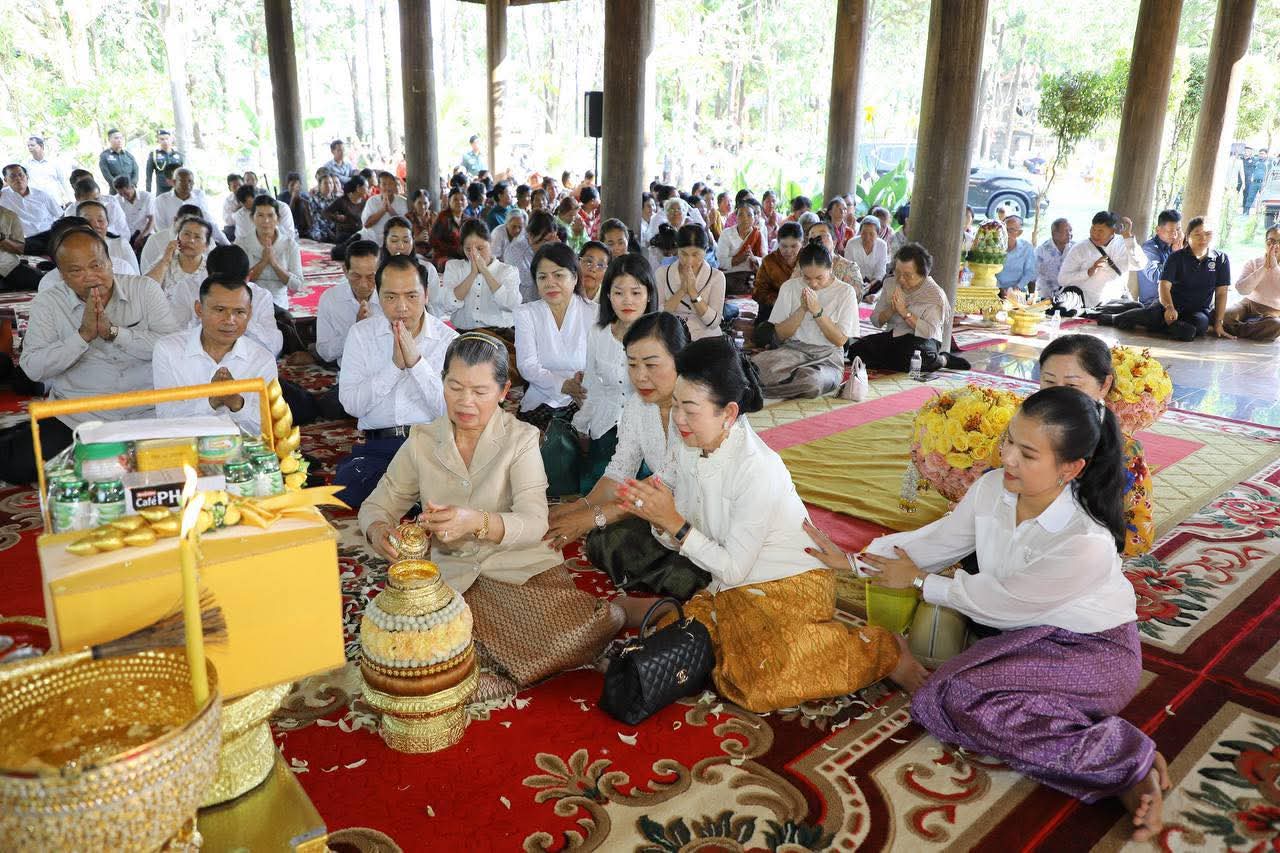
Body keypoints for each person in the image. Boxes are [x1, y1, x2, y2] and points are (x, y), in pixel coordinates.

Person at [807, 385, 1168, 842]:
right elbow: (936, 543)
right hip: (1025, 636)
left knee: (957, 696)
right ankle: (1082, 731)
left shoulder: (1085, 540)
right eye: (1009, 441)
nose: (1008, 458)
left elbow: (1001, 601)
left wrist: (920, 582)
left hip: (1093, 654)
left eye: (1028, 454)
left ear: (1071, 468)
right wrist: (853, 561)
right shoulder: (993, 488)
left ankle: (1126, 761)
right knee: (957, 693)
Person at [613, 336, 921, 712]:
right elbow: (680, 528)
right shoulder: (687, 444)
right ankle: (673, 611)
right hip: (729, 583)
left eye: (689, 409)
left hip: (792, 584)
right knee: (686, 647)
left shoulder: (757, 468)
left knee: (760, 683)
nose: (678, 419)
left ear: (728, 413)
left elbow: (731, 566)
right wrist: (657, 517)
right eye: (675, 404)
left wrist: (673, 523)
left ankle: (883, 649)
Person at [360, 333, 619, 703]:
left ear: (503, 391)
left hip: (517, 569)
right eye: (455, 387)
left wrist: (477, 522)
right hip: (453, 576)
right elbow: (378, 503)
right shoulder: (422, 440)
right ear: (442, 382)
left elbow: (535, 521)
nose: (465, 401)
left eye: (480, 391)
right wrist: (379, 530)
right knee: (411, 653)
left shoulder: (521, 439)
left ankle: (614, 616)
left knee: (571, 638)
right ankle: (499, 670)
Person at [0, 226, 180, 484]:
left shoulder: (145, 290)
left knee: (181, 466)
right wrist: (82, 337)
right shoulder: (49, 303)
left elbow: (172, 348)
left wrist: (116, 333)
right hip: (78, 416)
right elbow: (33, 368)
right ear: (62, 275)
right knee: (15, 465)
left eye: (97, 265)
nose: (90, 277)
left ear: (110, 261)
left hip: (147, 412)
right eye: (76, 271)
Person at [545, 312, 706, 596]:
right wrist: (581, 506)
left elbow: (667, 481)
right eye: (632, 364)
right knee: (603, 540)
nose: (640, 376)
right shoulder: (637, 405)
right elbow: (620, 470)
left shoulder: (698, 409)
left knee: (690, 571)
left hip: (704, 519)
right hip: (661, 513)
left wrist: (591, 517)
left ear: (680, 361)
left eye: (651, 365)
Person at [335, 255, 459, 508]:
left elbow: (451, 410)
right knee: (348, 486)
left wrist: (416, 364)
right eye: (390, 297)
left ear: (426, 295)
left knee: (461, 482)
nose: (401, 307)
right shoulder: (361, 335)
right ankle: (415, 497)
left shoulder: (449, 341)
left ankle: (407, 495)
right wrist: (394, 367)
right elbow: (351, 405)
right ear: (378, 296)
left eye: (411, 296)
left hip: (432, 446)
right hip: (379, 447)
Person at [547, 254, 659, 494]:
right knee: (593, 490)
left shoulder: (660, 336)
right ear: (608, 295)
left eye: (636, 293)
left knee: (639, 496)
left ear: (649, 295)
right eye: (619, 292)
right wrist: (582, 425)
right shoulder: (598, 333)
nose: (627, 300)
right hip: (607, 424)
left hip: (649, 431)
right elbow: (593, 386)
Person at [1039, 333, 1154, 556]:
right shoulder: (1020, 432)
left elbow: (1138, 536)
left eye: (1072, 384)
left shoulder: (1126, 452)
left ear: (1104, 385)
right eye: (1049, 381)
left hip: (1083, 557)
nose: (1058, 394)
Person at [153, 247, 278, 436]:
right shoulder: (169, 350)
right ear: (199, 309)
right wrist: (212, 400)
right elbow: (166, 419)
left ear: (249, 313)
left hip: (242, 451)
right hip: (186, 447)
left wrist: (237, 404)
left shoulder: (263, 360)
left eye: (239, 312)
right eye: (219, 310)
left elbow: (270, 428)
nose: (229, 320)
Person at [159, 221, 282, 357]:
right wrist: (204, 319)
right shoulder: (186, 289)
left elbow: (274, 348)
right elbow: (173, 338)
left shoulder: (261, 296)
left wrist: (245, 321)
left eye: (235, 288)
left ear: (248, 278)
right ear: (208, 275)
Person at [752, 241, 856, 399]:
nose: (813, 283)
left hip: (827, 358)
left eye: (819, 278)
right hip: (792, 351)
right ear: (800, 270)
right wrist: (802, 309)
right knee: (753, 366)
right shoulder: (789, 287)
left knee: (812, 383)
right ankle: (781, 382)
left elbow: (840, 340)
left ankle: (760, 391)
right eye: (807, 278)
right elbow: (780, 335)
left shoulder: (845, 292)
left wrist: (817, 311)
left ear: (831, 268)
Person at [849, 243, 969, 373]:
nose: (901, 279)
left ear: (922, 275)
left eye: (907, 275)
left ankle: (942, 359)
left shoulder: (934, 294)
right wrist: (892, 309)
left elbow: (928, 332)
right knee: (856, 351)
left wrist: (904, 312)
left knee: (913, 356)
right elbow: (876, 321)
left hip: (923, 341)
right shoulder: (890, 284)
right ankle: (895, 362)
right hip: (894, 336)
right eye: (897, 272)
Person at [515, 242, 597, 428]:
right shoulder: (526, 313)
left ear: (574, 277)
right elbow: (527, 366)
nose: (550, 283)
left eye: (558, 275)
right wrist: (563, 384)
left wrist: (582, 383)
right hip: (541, 400)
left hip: (585, 398)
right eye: (542, 277)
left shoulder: (594, 313)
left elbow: (601, 365)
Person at [1110, 217, 1232, 342]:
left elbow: (1221, 293)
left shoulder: (1221, 259)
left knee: (1200, 325)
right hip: (1169, 305)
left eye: (1208, 234)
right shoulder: (1176, 257)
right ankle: (1114, 318)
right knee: (1154, 315)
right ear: (1187, 236)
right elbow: (1164, 285)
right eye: (1197, 234)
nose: (1203, 238)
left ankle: (1158, 325)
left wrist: (1219, 323)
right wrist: (1169, 307)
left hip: (1197, 311)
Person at [314, 239, 382, 365]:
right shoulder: (331, 299)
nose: (363, 284)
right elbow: (324, 352)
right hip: (348, 372)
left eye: (371, 277)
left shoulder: (391, 298)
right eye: (356, 276)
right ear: (345, 271)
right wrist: (355, 331)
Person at [1056, 211, 1143, 310]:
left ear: (1113, 230)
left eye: (1100, 231)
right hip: (1083, 303)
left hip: (1113, 303)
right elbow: (1062, 279)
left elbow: (1139, 265)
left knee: (1138, 308)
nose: (1095, 234)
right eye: (1093, 229)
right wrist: (1088, 272)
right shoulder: (1080, 248)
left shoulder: (1125, 243)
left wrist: (1128, 239)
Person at [657, 224, 725, 341]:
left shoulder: (717, 277)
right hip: (671, 338)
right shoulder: (662, 273)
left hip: (707, 338)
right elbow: (659, 317)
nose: (689, 261)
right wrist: (682, 291)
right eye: (684, 254)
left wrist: (693, 293)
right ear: (677, 249)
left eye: (695, 254)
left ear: (705, 250)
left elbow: (713, 322)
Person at [237, 196, 304, 311]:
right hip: (249, 302)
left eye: (270, 215)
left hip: (279, 304)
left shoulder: (290, 245)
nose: (266, 221)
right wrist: (263, 262)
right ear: (252, 218)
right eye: (260, 215)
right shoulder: (241, 244)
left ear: (278, 219)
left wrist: (274, 263)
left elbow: (297, 285)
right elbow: (238, 282)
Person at [752, 221, 804, 349]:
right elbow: (758, 292)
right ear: (778, 243)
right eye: (784, 246)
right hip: (773, 309)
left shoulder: (807, 260)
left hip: (803, 309)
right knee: (762, 335)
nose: (788, 251)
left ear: (802, 243)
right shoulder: (769, 261)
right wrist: (779, 302)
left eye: (794, 246)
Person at [1223, 224, 1280, 341]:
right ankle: (1253, 326)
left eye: (1279, 242)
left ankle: (1234, 329)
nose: (1275, 246)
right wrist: (1264, 268)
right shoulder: (1253, 263)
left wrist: (1274, 267)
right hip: (1247, 304)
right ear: (1265, 242)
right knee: (1225, 315)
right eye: (1271, 241)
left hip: (1273, 311)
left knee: (1276, 325)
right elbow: (1242, 289)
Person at [1, 163, 62, 255]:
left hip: (50, 233)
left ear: (27, 176)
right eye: (13, 176)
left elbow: (60, 215)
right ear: (6, 180)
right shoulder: (2, 196)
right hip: (27, 240)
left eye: (21, 175)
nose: (18, 179)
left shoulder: (42, 194)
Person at [153, 169, 224, 242]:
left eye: (190, 181)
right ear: (174, 182)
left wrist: (226, 243)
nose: (187, 184)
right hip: (170, 242)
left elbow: (209, 221)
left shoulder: (199, 196)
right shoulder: (161, 200)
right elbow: (160, 227)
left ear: (193, 183)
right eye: (182, 181)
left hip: (197, 241)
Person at [504, 210, 559, 303]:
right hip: (523, 305)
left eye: (553, 239)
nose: (550, 244)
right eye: (546, 240)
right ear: (531, 235)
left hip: (541, 302)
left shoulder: (540, 246)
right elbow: (536, 281)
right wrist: (552, 256)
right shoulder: (515, 251)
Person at [716, 197, 764, 297]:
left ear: (754, 218)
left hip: (751, 278)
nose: (745, 218)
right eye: (741, 215)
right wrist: (738, 259)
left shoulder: (758, 235)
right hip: (730, 277)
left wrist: (754, 259)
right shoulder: (727, 234)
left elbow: (765, 260)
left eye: (749, 215)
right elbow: (721, 262)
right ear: (736, 217)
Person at [140, 203, 207, 273]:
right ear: (175, 220)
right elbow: (147, 273)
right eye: (185, 223)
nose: (189, 228)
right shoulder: (155, 240)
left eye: (195, 225)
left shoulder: (207, 242)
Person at [77, 200, 139, 275]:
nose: (95, 225)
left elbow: (137, 277)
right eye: (88, 221)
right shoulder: (70, 250)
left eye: (100, 220)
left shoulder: (120, 245)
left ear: (107, 223)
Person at [1136, 210, 1183, 304]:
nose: (1175, 235)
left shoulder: (1175, 247)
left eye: (1178, 230)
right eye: (1170, 231)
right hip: (1153, 303)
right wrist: (1175, 255)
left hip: (1173, 300)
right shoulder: (1149, 248)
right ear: (1158, 230)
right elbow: (1155, 275)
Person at [325, 175, 370, 259]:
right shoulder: (342, 201)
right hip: (345, 235)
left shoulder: (366, 202)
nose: (368, 190)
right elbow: (326, 213)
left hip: (360, 234)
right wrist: (337, 217)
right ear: (358, 188)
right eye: (366, 187)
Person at [231, 183, 296, 240]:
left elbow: (289, 235)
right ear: (242, 205)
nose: (255, 210)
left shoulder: (282, 208)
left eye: (256, 205)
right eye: (250, 209)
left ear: (259, 195)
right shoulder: (240, 215)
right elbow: (241, 239)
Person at [843, 215, 888, 298]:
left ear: (878, 234)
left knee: (886, 281)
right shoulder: (852, 243)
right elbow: (848, 269)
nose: (867, 237)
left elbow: (880, 271)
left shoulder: (882, 245)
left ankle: (872, 297)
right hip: (854, 283)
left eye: (871, 234)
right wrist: (858, 284)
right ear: (860, 232)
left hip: (874, 283)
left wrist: (870, 284)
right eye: (864, 233)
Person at [0, 205, 42, 291]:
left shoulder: (9, 215)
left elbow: (20, 249)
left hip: (8, 266)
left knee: (40, 281)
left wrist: (2, 239)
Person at [360, 171, 407, 244]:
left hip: (393, 242)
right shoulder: (372, 201)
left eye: (390, 183)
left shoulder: (402, 202)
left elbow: (404, 226)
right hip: (371, 240)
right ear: (379, 187)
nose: (388, 187)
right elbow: (366, 225)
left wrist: (390, 210)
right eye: (384, 184)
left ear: (395, 185)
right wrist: (383, 210)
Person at [994, 215, 1036, 297]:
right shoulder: (994, 248)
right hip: (995, 290)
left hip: (1018, 292)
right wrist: (1000, 289)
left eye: (1011, 230)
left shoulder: (1026, 248)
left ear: (1019, 233)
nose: (1006, 233)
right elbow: (990, 272)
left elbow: (1029, 272)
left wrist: (1017, 288)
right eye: (1004, 229)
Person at [1034, 217, 1074, 301]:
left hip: (1069, 296)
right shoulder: (1041, 251)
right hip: (1046, 296)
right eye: (1066, 231)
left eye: (1070, 230)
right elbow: (1033, 275)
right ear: (1054, 233)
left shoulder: (1075, 248)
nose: (1069, 234)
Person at [113, 176, 155, 253]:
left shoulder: (146, 197)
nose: (124, 196)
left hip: (145, 232)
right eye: (121, 194)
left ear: (132, 186)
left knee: (148, 249)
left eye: (126, 193)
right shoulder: (116, 200)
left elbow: (152, 220)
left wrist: (142, 236)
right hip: (126, 236)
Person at [429, 187, 466, 271]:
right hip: (443, 255)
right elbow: (433, 241)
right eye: (455, 199)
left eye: (462, 199)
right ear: (449, 201)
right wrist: (456, 249)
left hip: (463, 255)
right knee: (453, 265)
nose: (459, 202)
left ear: (467, 202)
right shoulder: (443, 217)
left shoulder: (468, 219)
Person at [25, 136, 69, 205]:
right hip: (37, 203)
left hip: (55, 201)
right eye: (28, 146)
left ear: (41, 146)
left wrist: (70, 199)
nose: (30, 148)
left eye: (32, 145)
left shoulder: (54, 162)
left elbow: (63, 181)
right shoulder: (26, 164)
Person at [145, 130, 183, 196]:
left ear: (171, 140)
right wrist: (148, 193)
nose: (165, 141)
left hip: (177, 188)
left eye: (167, 139)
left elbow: (183, 174)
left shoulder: (178, 155)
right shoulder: (154, 155)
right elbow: (148, 176)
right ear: (158, 141)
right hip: (162, 190)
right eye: (162, 139)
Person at [307, 172, 342, 243]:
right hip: (320, 227)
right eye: (325, 183)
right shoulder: (314, 199)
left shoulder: (337, 199)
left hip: (335, 227)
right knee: (319, 236)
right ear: (320, 185)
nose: (328, 185)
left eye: (330, 183)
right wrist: (329, 231)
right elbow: (316, 218)